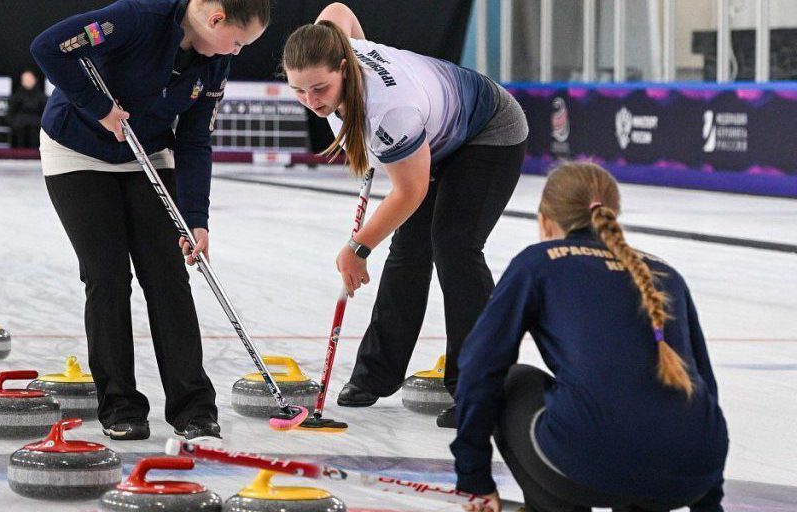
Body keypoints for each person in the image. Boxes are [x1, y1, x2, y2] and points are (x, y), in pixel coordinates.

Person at [30, 0, 269, 441]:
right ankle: (120, 406)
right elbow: (49, 47)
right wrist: (99, 107)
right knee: (108, 276)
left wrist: (196, 218)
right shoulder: (137, 19)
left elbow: (196, 140)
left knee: (167, 277)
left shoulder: (212, 64)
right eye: (238, 42)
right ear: (216, 19)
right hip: (77, 151)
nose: (237, 52)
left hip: (149, 155)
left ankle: (193, 407)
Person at [281, 3, 529, 427]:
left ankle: (479, 387)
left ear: (344, 66)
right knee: (408, 250)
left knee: (454, 245)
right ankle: (376, 375)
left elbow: (410, 191)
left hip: (489, 130)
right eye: (299, 91)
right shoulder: (335, 45)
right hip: (435, 130)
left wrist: (357, 247)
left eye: (320, 88)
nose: (312, 102)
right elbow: (337, 9)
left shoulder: (387, 110)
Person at [453, 162, 728, 512]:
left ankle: (551, 505)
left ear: (545, 221)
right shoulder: (664, 273)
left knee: (514, 380)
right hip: (690, 474)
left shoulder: (539, 262)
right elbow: (704, 387)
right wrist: (709, 503)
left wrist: (473, 477)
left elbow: (481, 365)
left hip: (586, 466)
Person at [7, 69, 47, 149]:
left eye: (29, 79)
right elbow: (10, 113)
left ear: (35, 80)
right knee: (20, 127)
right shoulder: (17, 96)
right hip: (19, 124)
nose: (28, 81)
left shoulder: (41, 97)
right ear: (22, 81)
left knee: (35, 128)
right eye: (25, 79)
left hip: (37, 123)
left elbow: (45, 114)